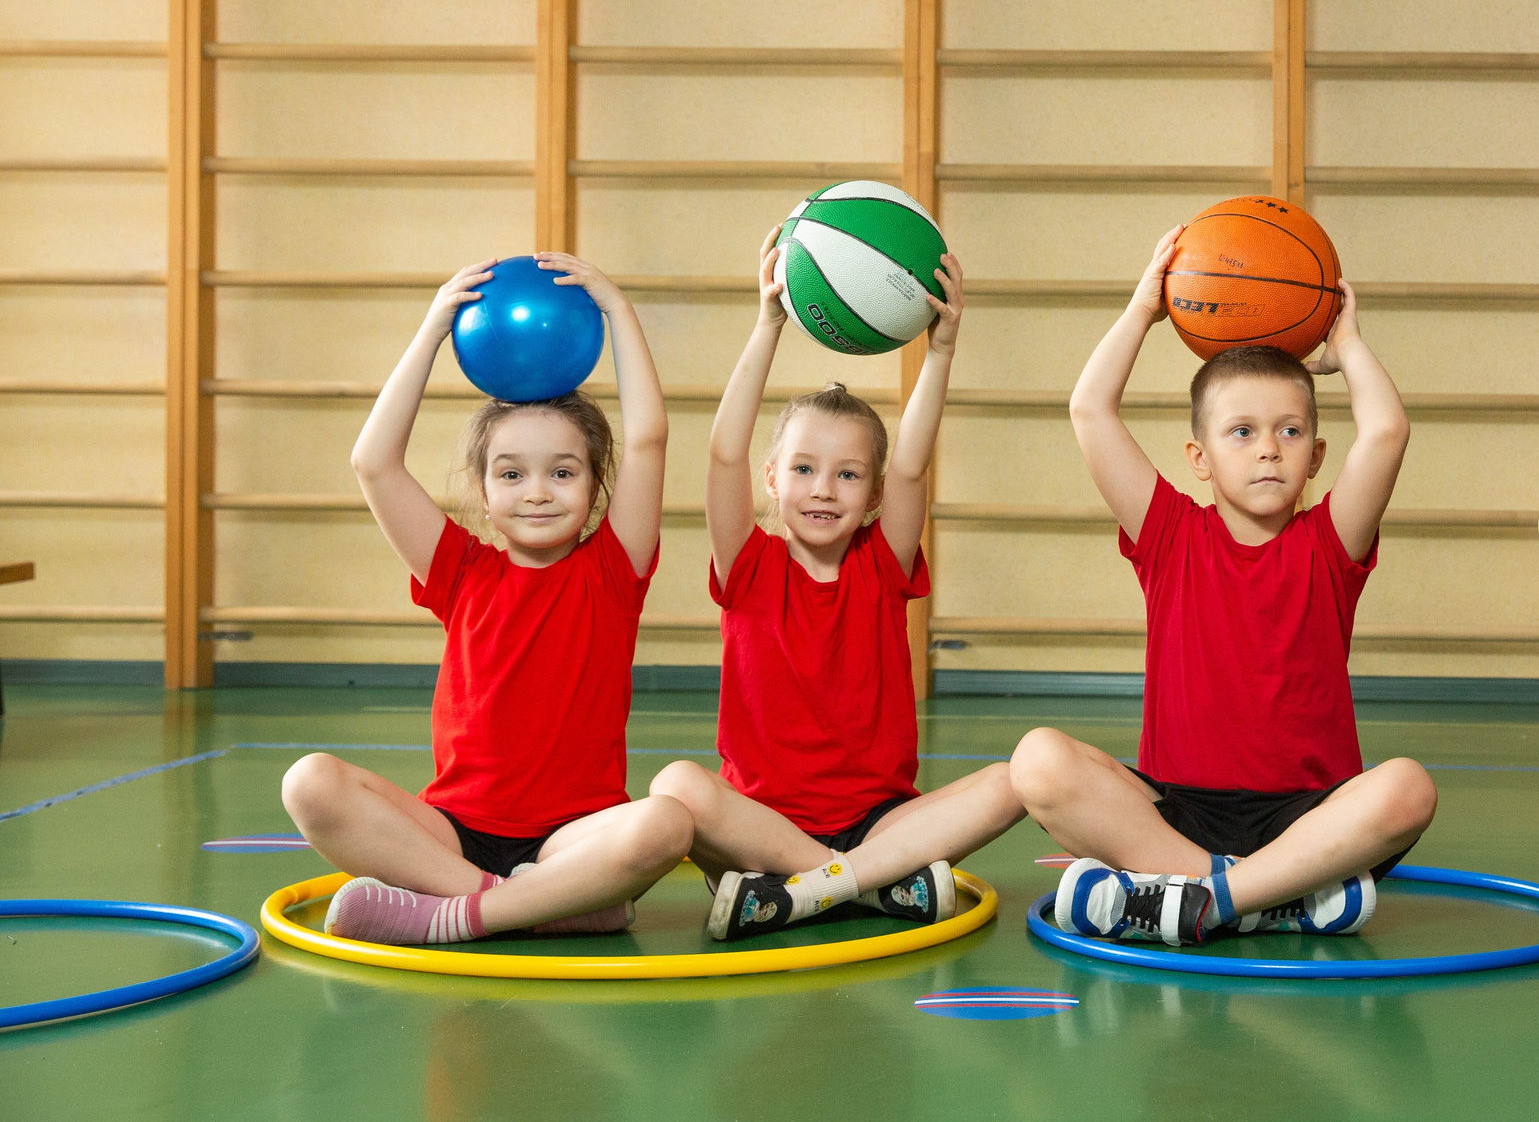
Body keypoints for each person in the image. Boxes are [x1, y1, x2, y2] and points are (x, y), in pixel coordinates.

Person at [1009, 227, 1436, 947]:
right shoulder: (1170, 533)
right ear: (1198, 458)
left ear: (1316, 454)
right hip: (1178, 807)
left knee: (1409, 788)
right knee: (1037, 761)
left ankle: (1196, 896)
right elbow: (1090, 410)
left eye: (1291, 430)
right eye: (1242, 431)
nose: (1269, 446)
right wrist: (1143, 309)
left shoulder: (1330, 545)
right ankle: (1268, 896)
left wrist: (1349, 344)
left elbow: (1387, 429)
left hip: (1306, 813)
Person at [283, 256, 692, 944]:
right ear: (484, 490)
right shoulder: (460, 570)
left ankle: (461, 913)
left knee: (670, 820)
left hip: (571, 838)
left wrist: (618, 308)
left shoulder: (615, 569)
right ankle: (529, 903)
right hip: (453, 835)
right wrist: (432, 331)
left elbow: (650, 436)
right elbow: (373, 462)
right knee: (309, 783)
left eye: (562, 472)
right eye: (513, 473)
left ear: (597, 487)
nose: (537, 490)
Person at [649, 230, 1022, 940]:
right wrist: (768, 324)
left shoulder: (881, 563)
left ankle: (800, 890)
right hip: (765, 820)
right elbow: (723, 450)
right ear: (771, 477)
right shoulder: (749, 564)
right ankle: (862, 884)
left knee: (1012, 780)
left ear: (875, 492)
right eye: (802, 470)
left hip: (884, 821)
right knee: (676, 787)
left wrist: (940, 350)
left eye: (848, 474)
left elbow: (913, 465)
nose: (823, 489)